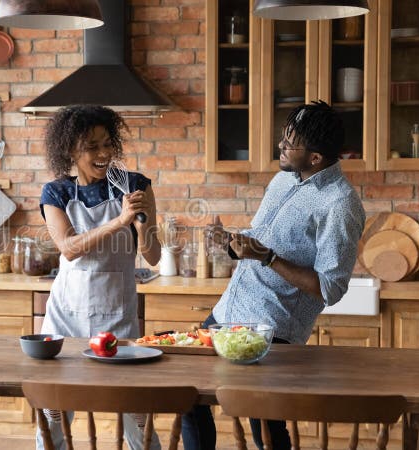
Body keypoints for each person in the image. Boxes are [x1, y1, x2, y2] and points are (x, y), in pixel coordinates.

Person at [181, 100, 366, 450]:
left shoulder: (339, 205)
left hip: (272, 328)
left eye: (290, 142)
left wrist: (265, 256)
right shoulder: (284, 179)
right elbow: (262, 240)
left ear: (315, 158)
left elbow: (329, 288)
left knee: (264, 424)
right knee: (190, 399)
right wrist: (230, 243)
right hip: (227, 314)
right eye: (284, 136)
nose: (280, 145)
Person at [38, 104, 162, 450]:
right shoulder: (56, 193)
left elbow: (153, 257)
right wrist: (120, 221)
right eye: (92, 146)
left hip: (117, 317)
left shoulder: (135, 185)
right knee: (55, 413)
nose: (104, 153)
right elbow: (69, 248)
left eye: (107, 144)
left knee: (137, 412)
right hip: (67, 318)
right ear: (70, 150)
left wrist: (141, 223)